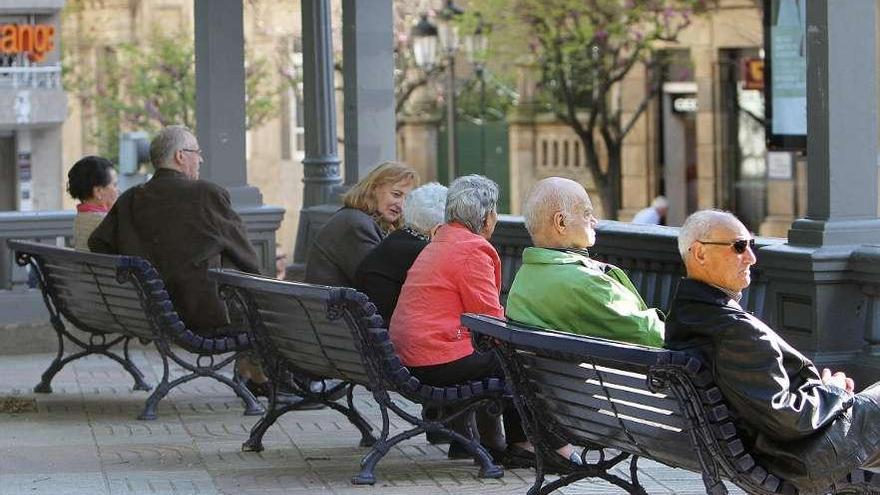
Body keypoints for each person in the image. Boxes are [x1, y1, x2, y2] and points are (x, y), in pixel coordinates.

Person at [666, 210, 880, 492]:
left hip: (754, 450)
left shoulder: (685, 315)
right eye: (739, 246)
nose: (751, 258)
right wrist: (833, 390)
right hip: (796, 458)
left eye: (751, 246)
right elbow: (787, 418)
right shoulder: (733, 331)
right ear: (700, 254)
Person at [391, 175, 578, 467]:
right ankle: (549, 447)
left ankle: (518, 443)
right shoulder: (471, 249)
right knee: (525, 361)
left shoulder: (440, 241)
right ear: (488, 217)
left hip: (412, 356)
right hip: (438, 359)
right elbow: (489, 321)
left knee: (512, 358)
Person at [88, 125, 268, 390]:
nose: (201, 159)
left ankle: (253, 372)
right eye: (197, 152)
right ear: (181, 156)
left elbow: (97, 243)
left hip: (153, 313)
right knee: (264, 301)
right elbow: (248, 260)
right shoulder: (206, 194)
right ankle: (264, 378)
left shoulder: (129, 199)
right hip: (202, 316)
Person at [507, 177, 664, 347]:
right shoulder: (587, 282)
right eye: (587, 213)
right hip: (603, 373)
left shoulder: (522, 280)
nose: (594, 221)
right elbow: (651, 336)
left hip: (549, 373)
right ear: (561, 222)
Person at [305, 161, 418, 288]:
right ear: (373, 189)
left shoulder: (367, 221)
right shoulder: (357, 224)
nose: (401, 205)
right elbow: (377, 282)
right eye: (396, 195)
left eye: (407, 199)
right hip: (336, 306)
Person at [355, 182, 447, 324]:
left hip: (370, 334)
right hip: (391, 337)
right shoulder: (425, 254)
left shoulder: (396, 238)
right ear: (439, 228)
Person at [67, 155, 118, 251]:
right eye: (115, 185)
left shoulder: (80, 219)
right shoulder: (107, 223)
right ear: (98, 191)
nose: (118, 191)